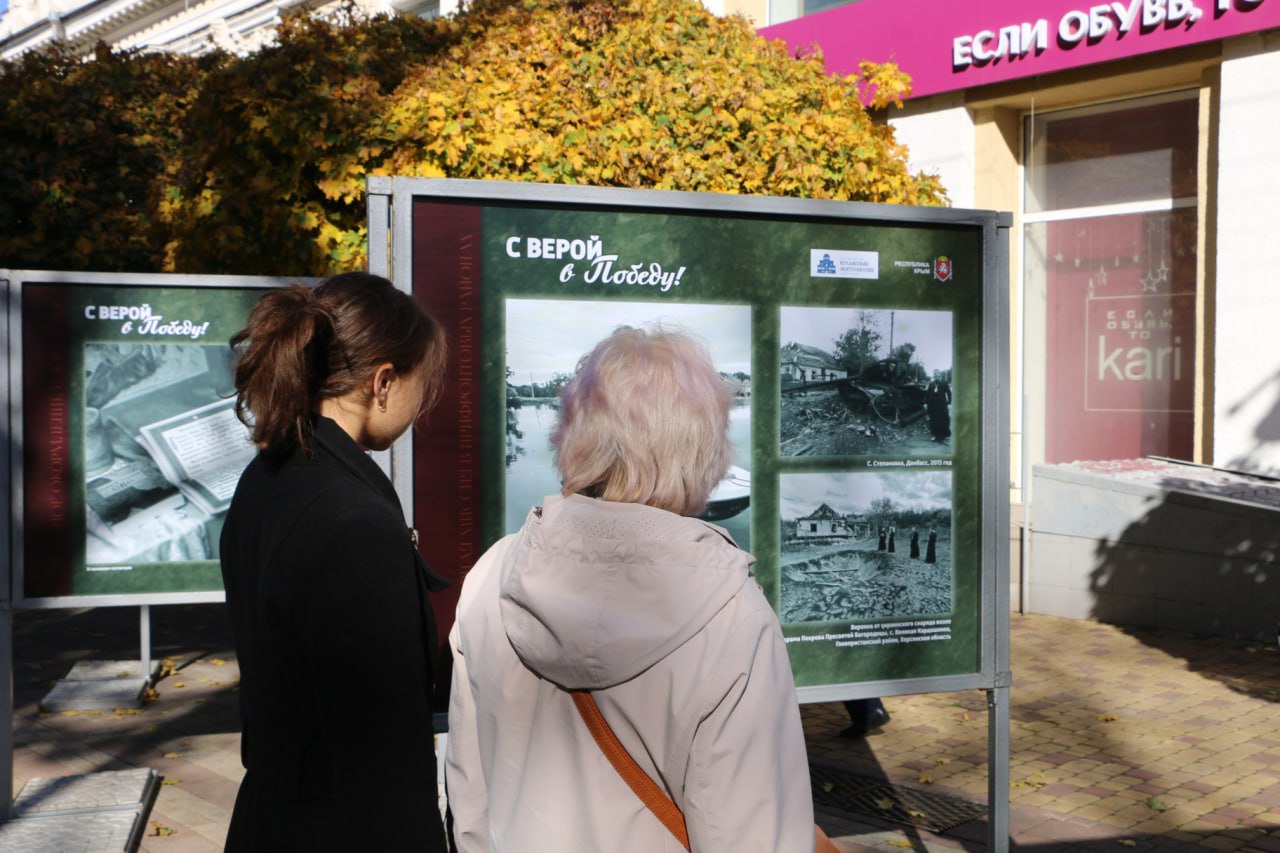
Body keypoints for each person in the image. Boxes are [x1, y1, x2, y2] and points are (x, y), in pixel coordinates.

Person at [446, 325, 813, 852]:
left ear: (573, 434)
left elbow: (469, 795)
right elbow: (756, 836)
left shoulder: (491, 575)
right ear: (703, 447)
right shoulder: (731, 614)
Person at [219, 273, 450, 852]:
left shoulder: (268, 477)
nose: (422, 404)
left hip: (270, 819)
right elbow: (383, 759)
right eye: (423, 384)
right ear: (383, 382)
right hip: (337, 830)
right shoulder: (354, 523)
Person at [926, 377, 952, 442]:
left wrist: (949, 403)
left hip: (942, 404)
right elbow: (927, 394)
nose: (936, 375)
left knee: (943, 419)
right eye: (935, 374)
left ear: (939, 375)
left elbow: (949, 393)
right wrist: (925, 403)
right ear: (934, 376)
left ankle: (944, 434)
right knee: (933, 419)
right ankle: (935, 434)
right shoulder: (931, 384)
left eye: (937, 374)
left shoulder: (944, 383)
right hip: (932, 404)